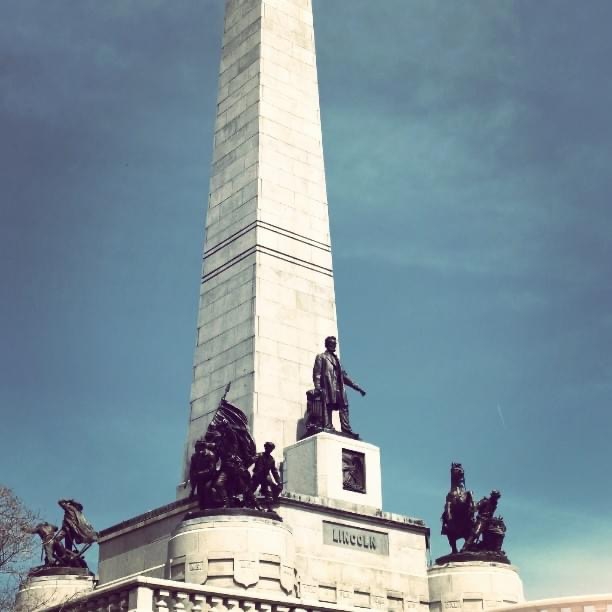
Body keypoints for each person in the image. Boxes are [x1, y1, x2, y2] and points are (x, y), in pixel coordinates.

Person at [313, 336, 366, 437]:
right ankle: (328, 426)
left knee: (344, 406)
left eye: (334, 344)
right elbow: (317, 373)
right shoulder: (321, 357)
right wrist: (318, 387)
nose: (333, 346)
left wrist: (357, 388)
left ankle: (346, 429)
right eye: (331, 344)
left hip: (339, 388)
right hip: (328, 386)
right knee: (328, 405)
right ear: (327, 345)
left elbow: (344, 376)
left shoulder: (337, 360)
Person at [247, 442, 282, 507]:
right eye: (268, 448)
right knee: (250, 490)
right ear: (265, 448)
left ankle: (269, 508)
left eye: (271, 449)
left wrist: (278, 481)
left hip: (265, 477)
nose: (270, 450)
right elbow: (250, 461)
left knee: (268, 493)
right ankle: (248, 504)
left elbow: (274, 471)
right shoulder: (259, 455)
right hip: (257, 476)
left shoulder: (271, 459)